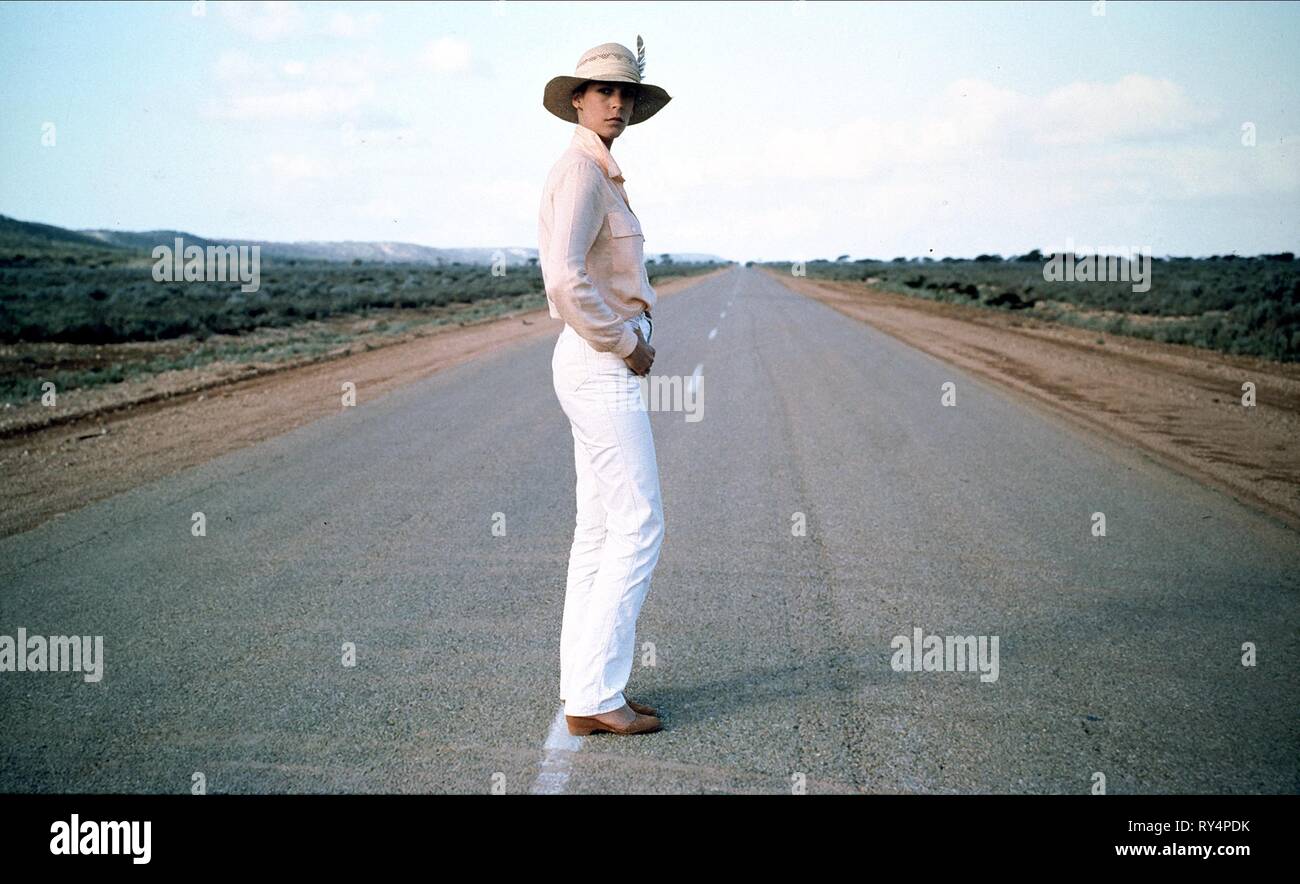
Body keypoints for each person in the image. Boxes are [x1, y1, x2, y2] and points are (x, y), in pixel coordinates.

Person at [538, 37, 673, 736]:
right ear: (578, 100)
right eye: (604, 92)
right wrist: (625, 342)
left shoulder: (596, 170)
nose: (616, 102)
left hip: (590, 359)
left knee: (599, 528)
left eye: (626, 94)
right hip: (599, 361)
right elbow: (564, 279)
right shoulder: (584, 173)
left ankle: (585, 691)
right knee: (641, 523)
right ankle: (597, 695)